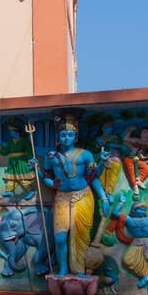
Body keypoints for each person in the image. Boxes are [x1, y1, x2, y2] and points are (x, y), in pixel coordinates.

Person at [35, 117, 109, 278]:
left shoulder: (85, 155)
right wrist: (41, 175)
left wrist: (103, 197)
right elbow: (49, 178)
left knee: (81, 235)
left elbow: (94, 176)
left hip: (83, 197)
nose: (66, 138)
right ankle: (63, 269)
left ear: (75, 137)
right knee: (60, 238)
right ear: (58, 137)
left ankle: (79, 270)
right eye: (63, 135)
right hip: (62, 198)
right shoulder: (52, 157)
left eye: (69, 134)